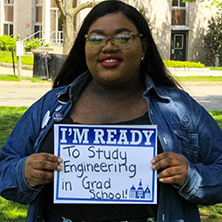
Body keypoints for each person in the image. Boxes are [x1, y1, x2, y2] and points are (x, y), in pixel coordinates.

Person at [0, 0, 222, 221]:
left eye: (122, 38)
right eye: (96, 38)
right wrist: (24, 173)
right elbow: (4, 169)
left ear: (143, 45)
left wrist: (191, 177)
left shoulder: (178, 108)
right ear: (84, 45)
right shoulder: (52, 104)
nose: (108, 47)